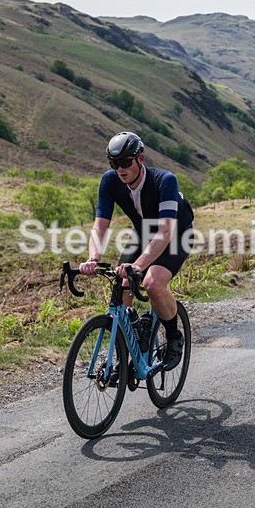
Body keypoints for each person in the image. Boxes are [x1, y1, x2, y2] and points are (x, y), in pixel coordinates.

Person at [79, 131, 194, 369]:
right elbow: (100, 225)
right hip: (143, 232)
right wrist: (93, 257)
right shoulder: (110, 181)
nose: (120, 169)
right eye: (114, 163)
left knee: (152, 283)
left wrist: (139, 265)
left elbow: (164, 234)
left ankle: (174, 337)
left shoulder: (165, 180)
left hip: (175, 234)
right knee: (122, 287)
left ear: (140, 159)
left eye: (125, 162)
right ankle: (131, 342)